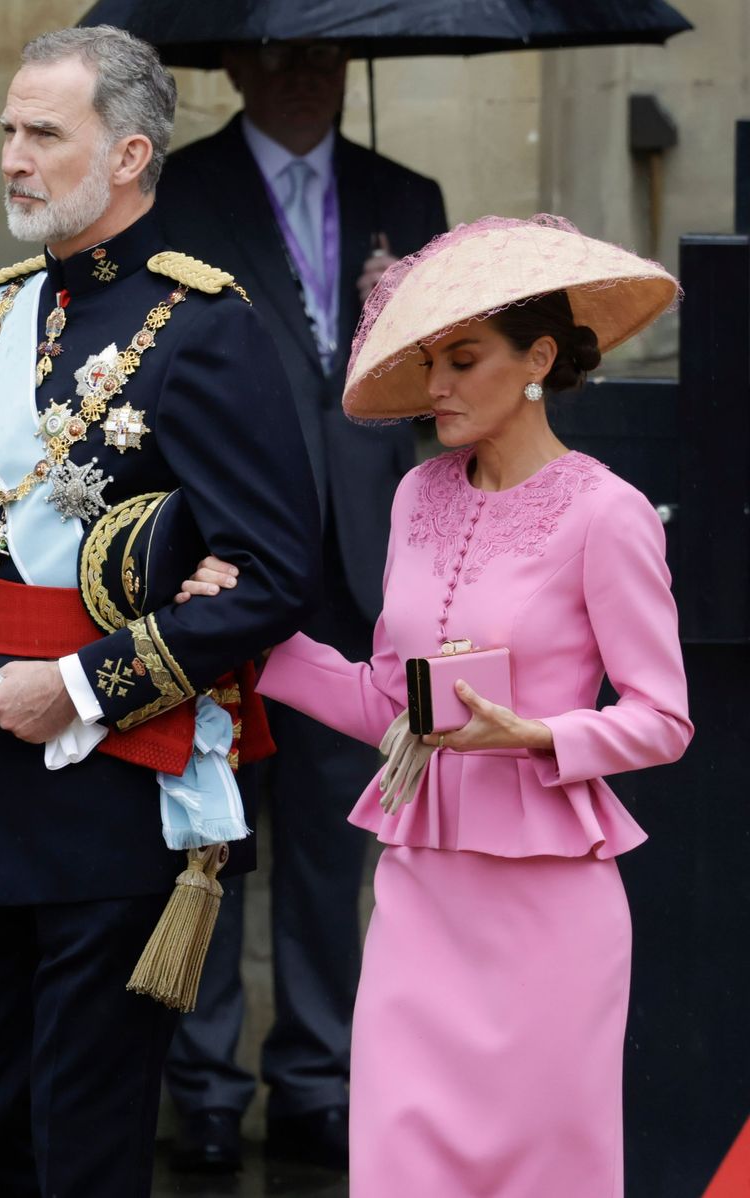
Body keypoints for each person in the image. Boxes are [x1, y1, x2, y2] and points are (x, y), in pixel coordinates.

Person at [0, 25, 320, 1198]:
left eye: (45, 134)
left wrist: (83, 683)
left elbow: (277, 573)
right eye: (6, 131)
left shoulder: (207, 328)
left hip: (114, 800)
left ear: (128, 154)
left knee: (81, 1154)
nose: (13, 158)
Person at [179, 214, 693, 1195]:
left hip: (550, 911)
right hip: (419, 895)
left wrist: (538, 733)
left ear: (536, 357)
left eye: (463, 358)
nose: (438, 385)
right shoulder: (415, 496)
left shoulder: (605, 510)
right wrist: (254, 639)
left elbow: (662, 716)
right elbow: (387, 696)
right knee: (400, 1161)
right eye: (428, 362)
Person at [155, 38, 447, 1172]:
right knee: (210, 830)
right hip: (226, 560)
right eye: (274, 51)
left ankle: (318, 1079)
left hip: (362, 574)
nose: (298, 72)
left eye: (322, 51)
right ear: (231, 62)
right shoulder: (180, 191)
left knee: (338, 843)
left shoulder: (405, 197)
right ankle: (209, 1089)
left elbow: (442, 380)